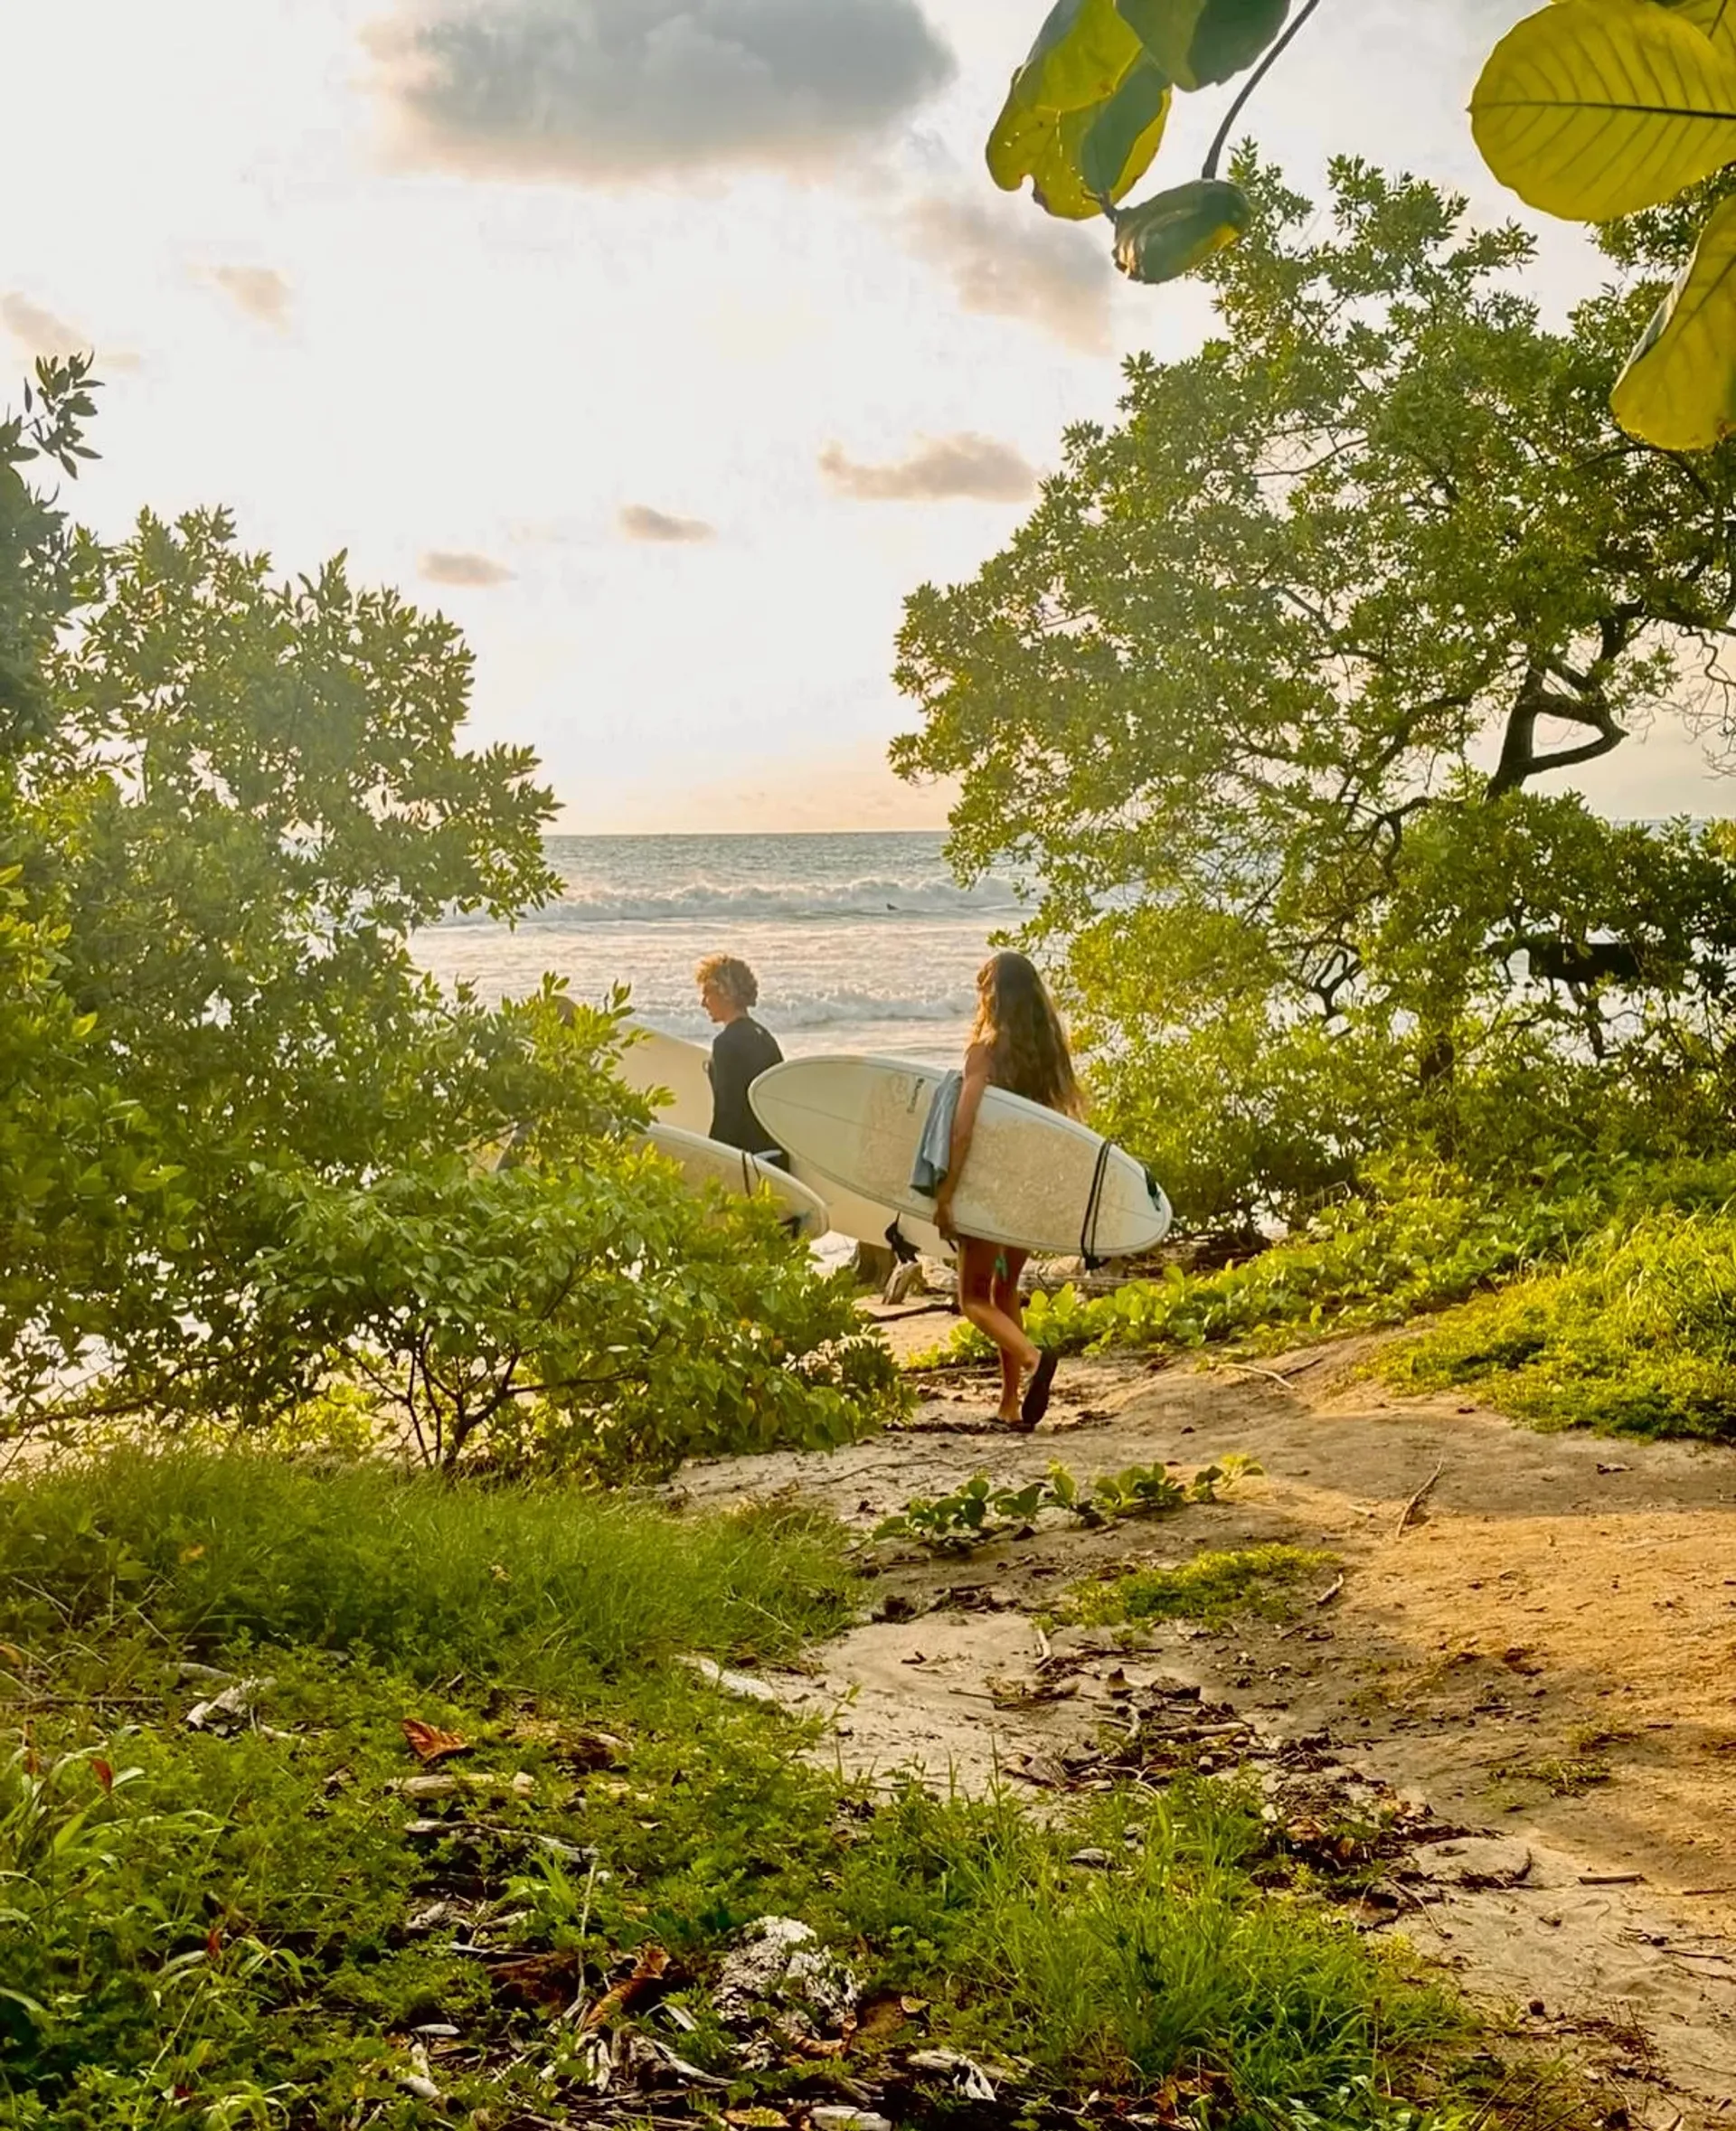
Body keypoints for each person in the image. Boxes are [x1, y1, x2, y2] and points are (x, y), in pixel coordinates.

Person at [932, 951, 1082, 1430]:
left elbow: (962, 1129)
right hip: (1029, 1187)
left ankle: (1035, 1360)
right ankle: (1010, 1403)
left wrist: (947, 1194)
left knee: (973, 1297)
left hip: (991, 1189)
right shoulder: (1049, 1055)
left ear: (992, 997)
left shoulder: (986, 1052)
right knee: (1006, 1289)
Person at [695, 952, 785, 1158]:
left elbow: (727, 1113)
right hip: (775, 1154)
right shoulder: (765, 1037)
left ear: (725, 993)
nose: (703, 1003)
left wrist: (712, 1157)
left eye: (707, 993)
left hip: (748, 1160)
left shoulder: (725, 1044)